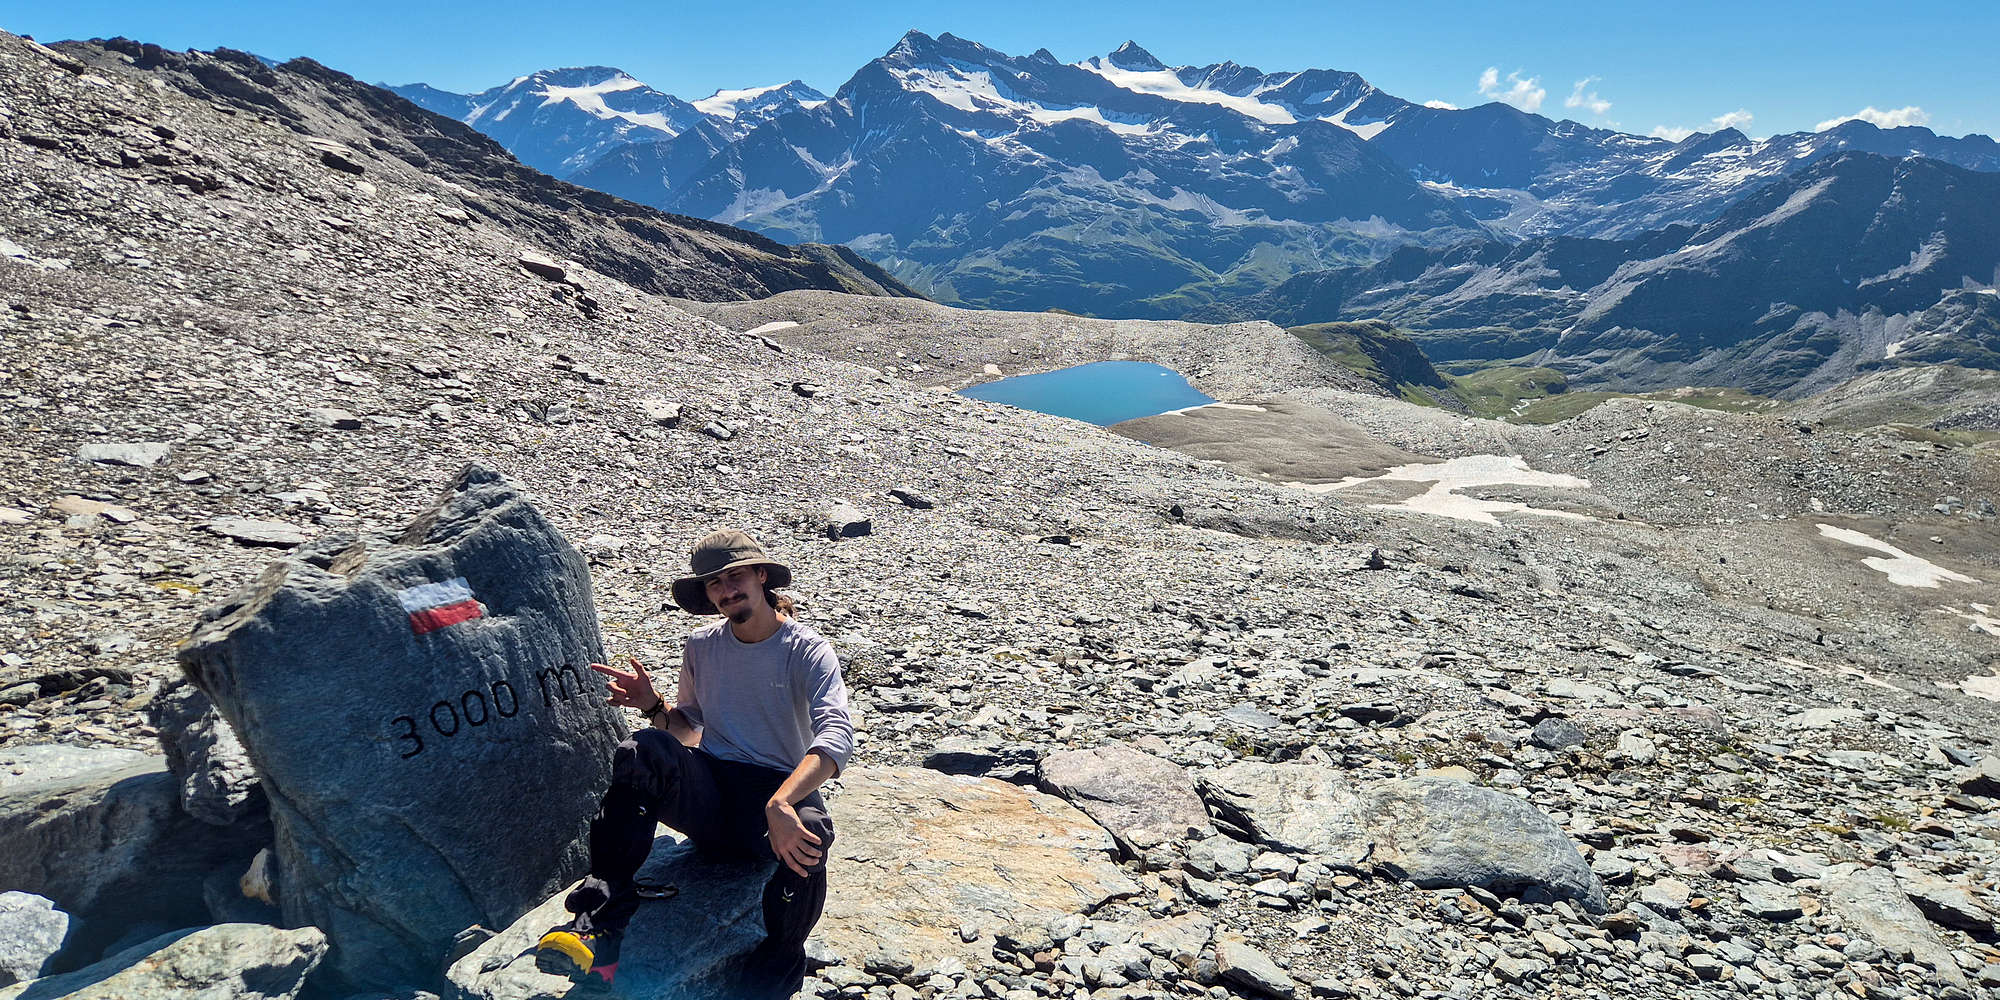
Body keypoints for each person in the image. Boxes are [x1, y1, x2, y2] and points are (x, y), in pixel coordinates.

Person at [535, 528, 854, 997]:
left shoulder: (806, 650)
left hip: (772, 796)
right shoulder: (703, 646)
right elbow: (689, 729)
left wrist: (782, 803)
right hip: (712, 791)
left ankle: (771, 973)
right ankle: (597, 926)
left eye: (735, 576)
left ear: (761, 576)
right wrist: (652, 706)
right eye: (714, 583)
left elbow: (837, 736)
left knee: (812, 834)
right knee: (642, 749)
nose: (726, 590)